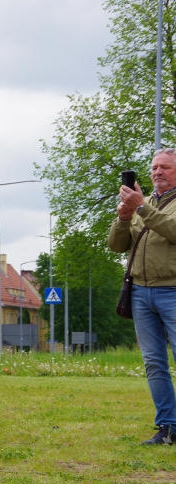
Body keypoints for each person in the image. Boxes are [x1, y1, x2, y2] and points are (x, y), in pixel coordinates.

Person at [109, 148, 176, 446]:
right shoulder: (142, 203)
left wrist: (142, 209)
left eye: (165, 167)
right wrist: (124, 217)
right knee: (153, 362)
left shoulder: (146, 206)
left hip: (173, 290)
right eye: (154, 168)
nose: (158, 172)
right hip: (140, 292)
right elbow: (116, 245)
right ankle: (168, 427)